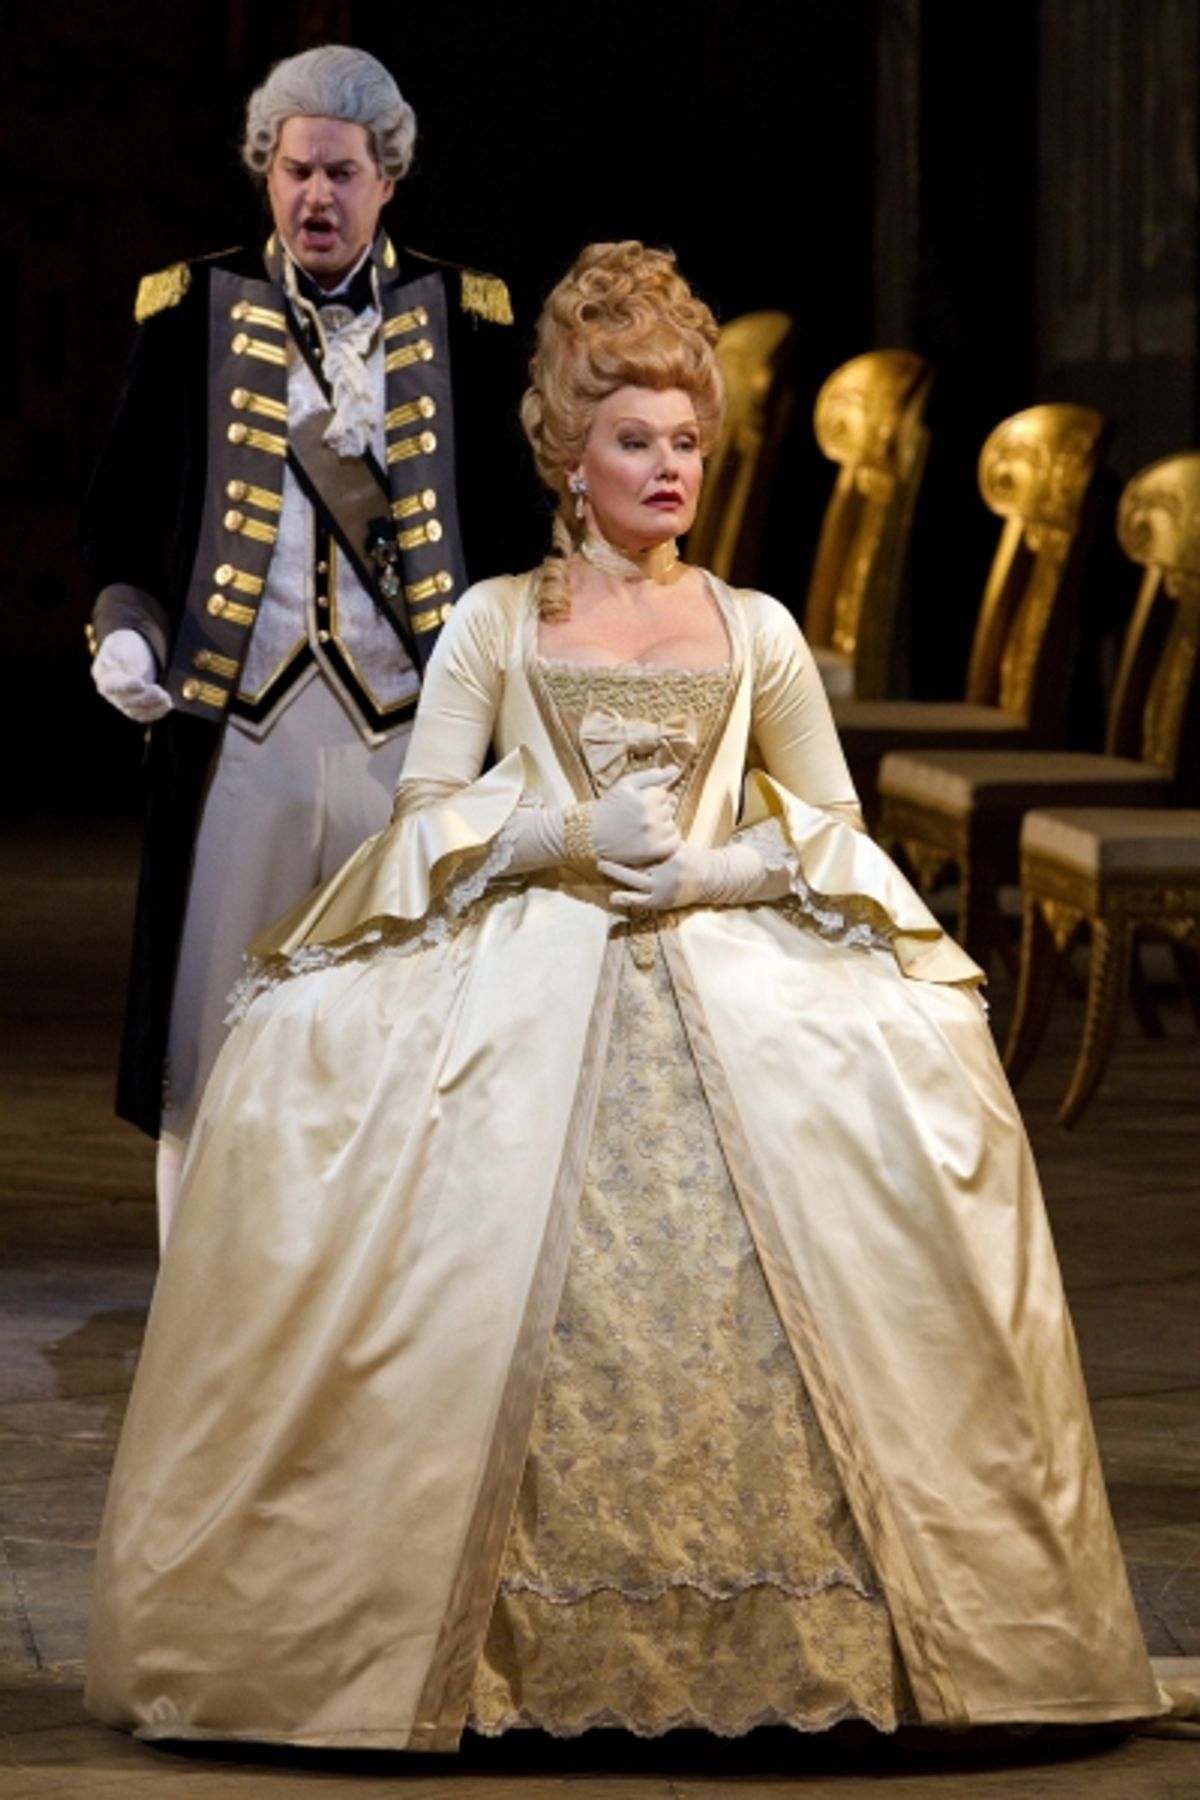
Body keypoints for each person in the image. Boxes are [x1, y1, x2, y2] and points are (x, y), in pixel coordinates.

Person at [86, 241, 1166, 1749]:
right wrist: (556, 836)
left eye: (689, 444)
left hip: (739, 966)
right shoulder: (494, 623)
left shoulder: (759, 629)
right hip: (527, 959)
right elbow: (423, 820)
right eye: (635, 441)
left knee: (914, 1110)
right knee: (331, 1096)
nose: (670, 469)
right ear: (568, 455)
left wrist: (725, 877)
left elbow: (844, 835)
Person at [82, 44, 538, 1244]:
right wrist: (125, 632)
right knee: (213, 1036)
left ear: (388, 177)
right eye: (294, 171)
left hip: (412, 734)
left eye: (342, 171)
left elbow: (512, 529)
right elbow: (121, 521)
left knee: (410, 1030)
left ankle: (401, 1303)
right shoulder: (192, 309)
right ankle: (203, 1314)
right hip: (245, 726)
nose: (315, 198)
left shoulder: (467, 314)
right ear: (265, 172)